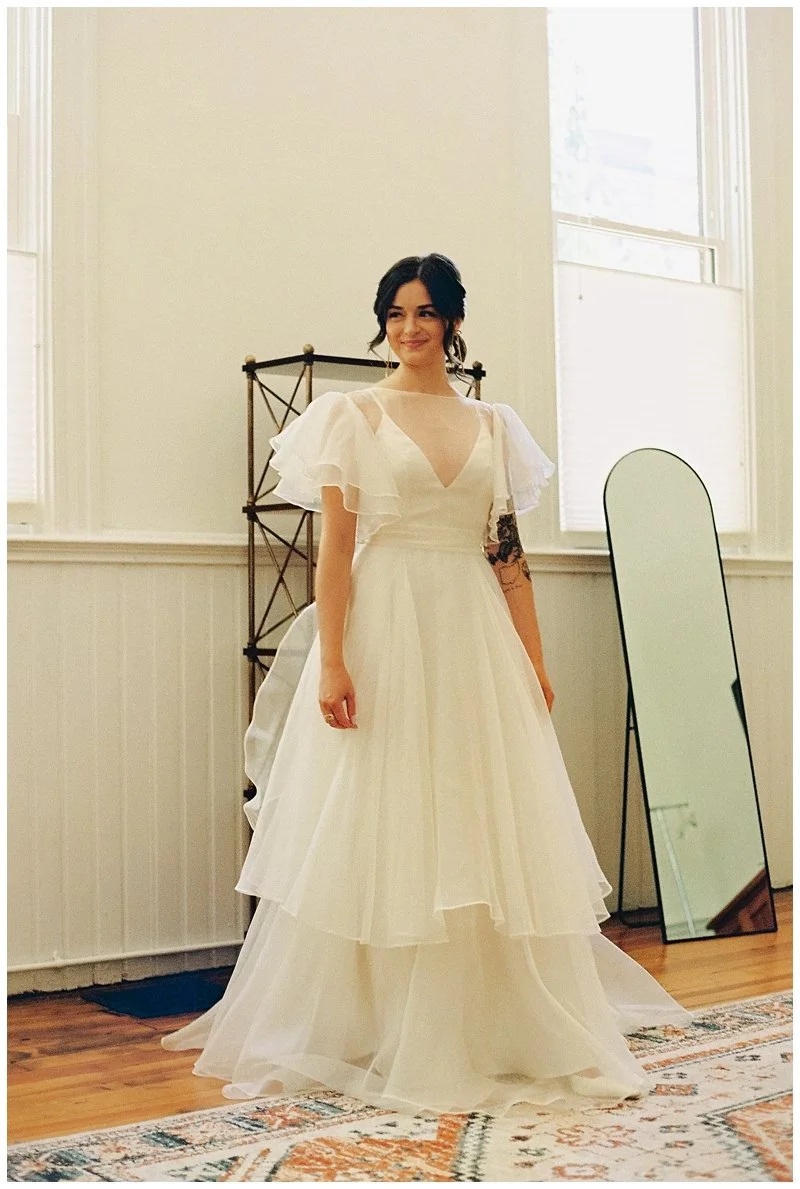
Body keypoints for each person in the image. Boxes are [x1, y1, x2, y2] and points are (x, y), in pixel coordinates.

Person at [162, 253, 691, 1115]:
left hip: (474, 631)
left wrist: (536, 658)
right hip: (386, 631)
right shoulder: (352, 416)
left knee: (481, 815)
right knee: (388, 816)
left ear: (452, 321)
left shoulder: (493, 424)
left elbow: (507, 555)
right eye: (397, 312)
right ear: (384, 322)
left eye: (428, 312)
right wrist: (332, 658)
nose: (411, 327)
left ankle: (487, 1021)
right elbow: (336, 552)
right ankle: (375, 1021)